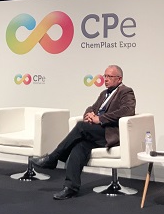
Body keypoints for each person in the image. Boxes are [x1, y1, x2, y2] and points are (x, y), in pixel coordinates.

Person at [31, 64, 135, 200]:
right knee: (78, 147)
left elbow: (127, 110)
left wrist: (100, 119)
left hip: (110, 133)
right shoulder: (104, 93)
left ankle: (53, 158)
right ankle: (70, 188)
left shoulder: (126, 92)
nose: (106, 79)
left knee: (81, 126)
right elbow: (92, 107)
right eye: (105, 76)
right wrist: (89, 114)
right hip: (96, 132)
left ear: (119, 79)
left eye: (109, 76)